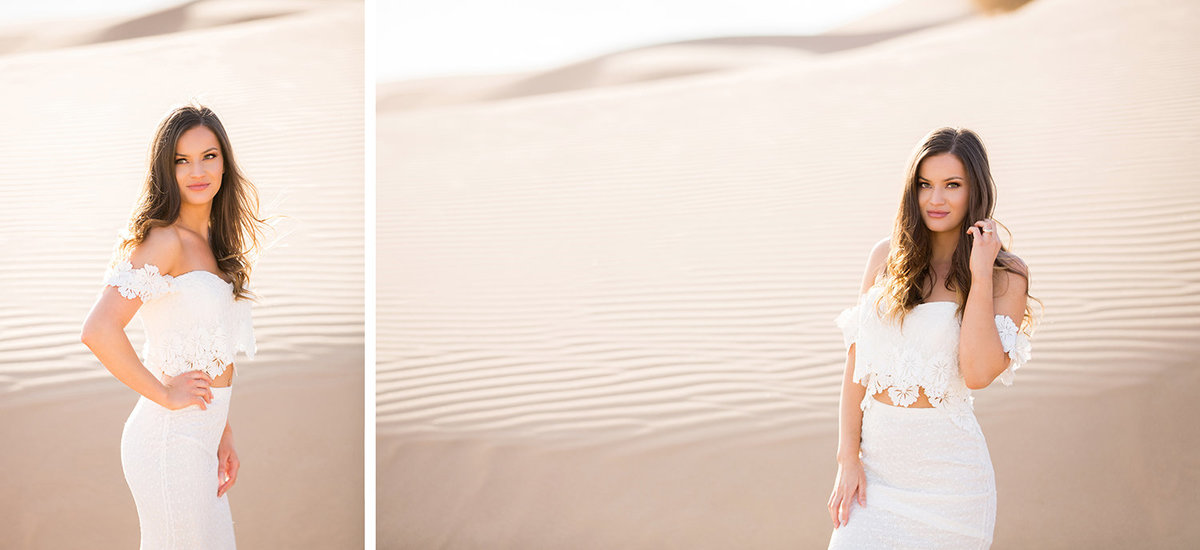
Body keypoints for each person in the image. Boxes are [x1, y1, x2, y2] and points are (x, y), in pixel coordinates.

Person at [826, 127, 1034, 549]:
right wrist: (847, 458)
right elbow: (856, 367)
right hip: (875, 480)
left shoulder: (1004, 275)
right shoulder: (886, 258)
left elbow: (976, 374)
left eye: (952, 186)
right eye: (925, 185)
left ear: (974, 190)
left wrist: (978, 274)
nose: (935, 199)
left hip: (951, 489)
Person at [81, 103, 265, 549]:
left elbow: (209, 348)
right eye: (181, 160)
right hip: (168, 441)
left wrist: (222, 431)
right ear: (167, 170)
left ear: (225, 162)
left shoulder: (215, 247)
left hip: (201, 440)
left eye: (209, 156)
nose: (197, 170)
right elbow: (99, 330)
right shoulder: (165, 240)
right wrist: (164, 393)